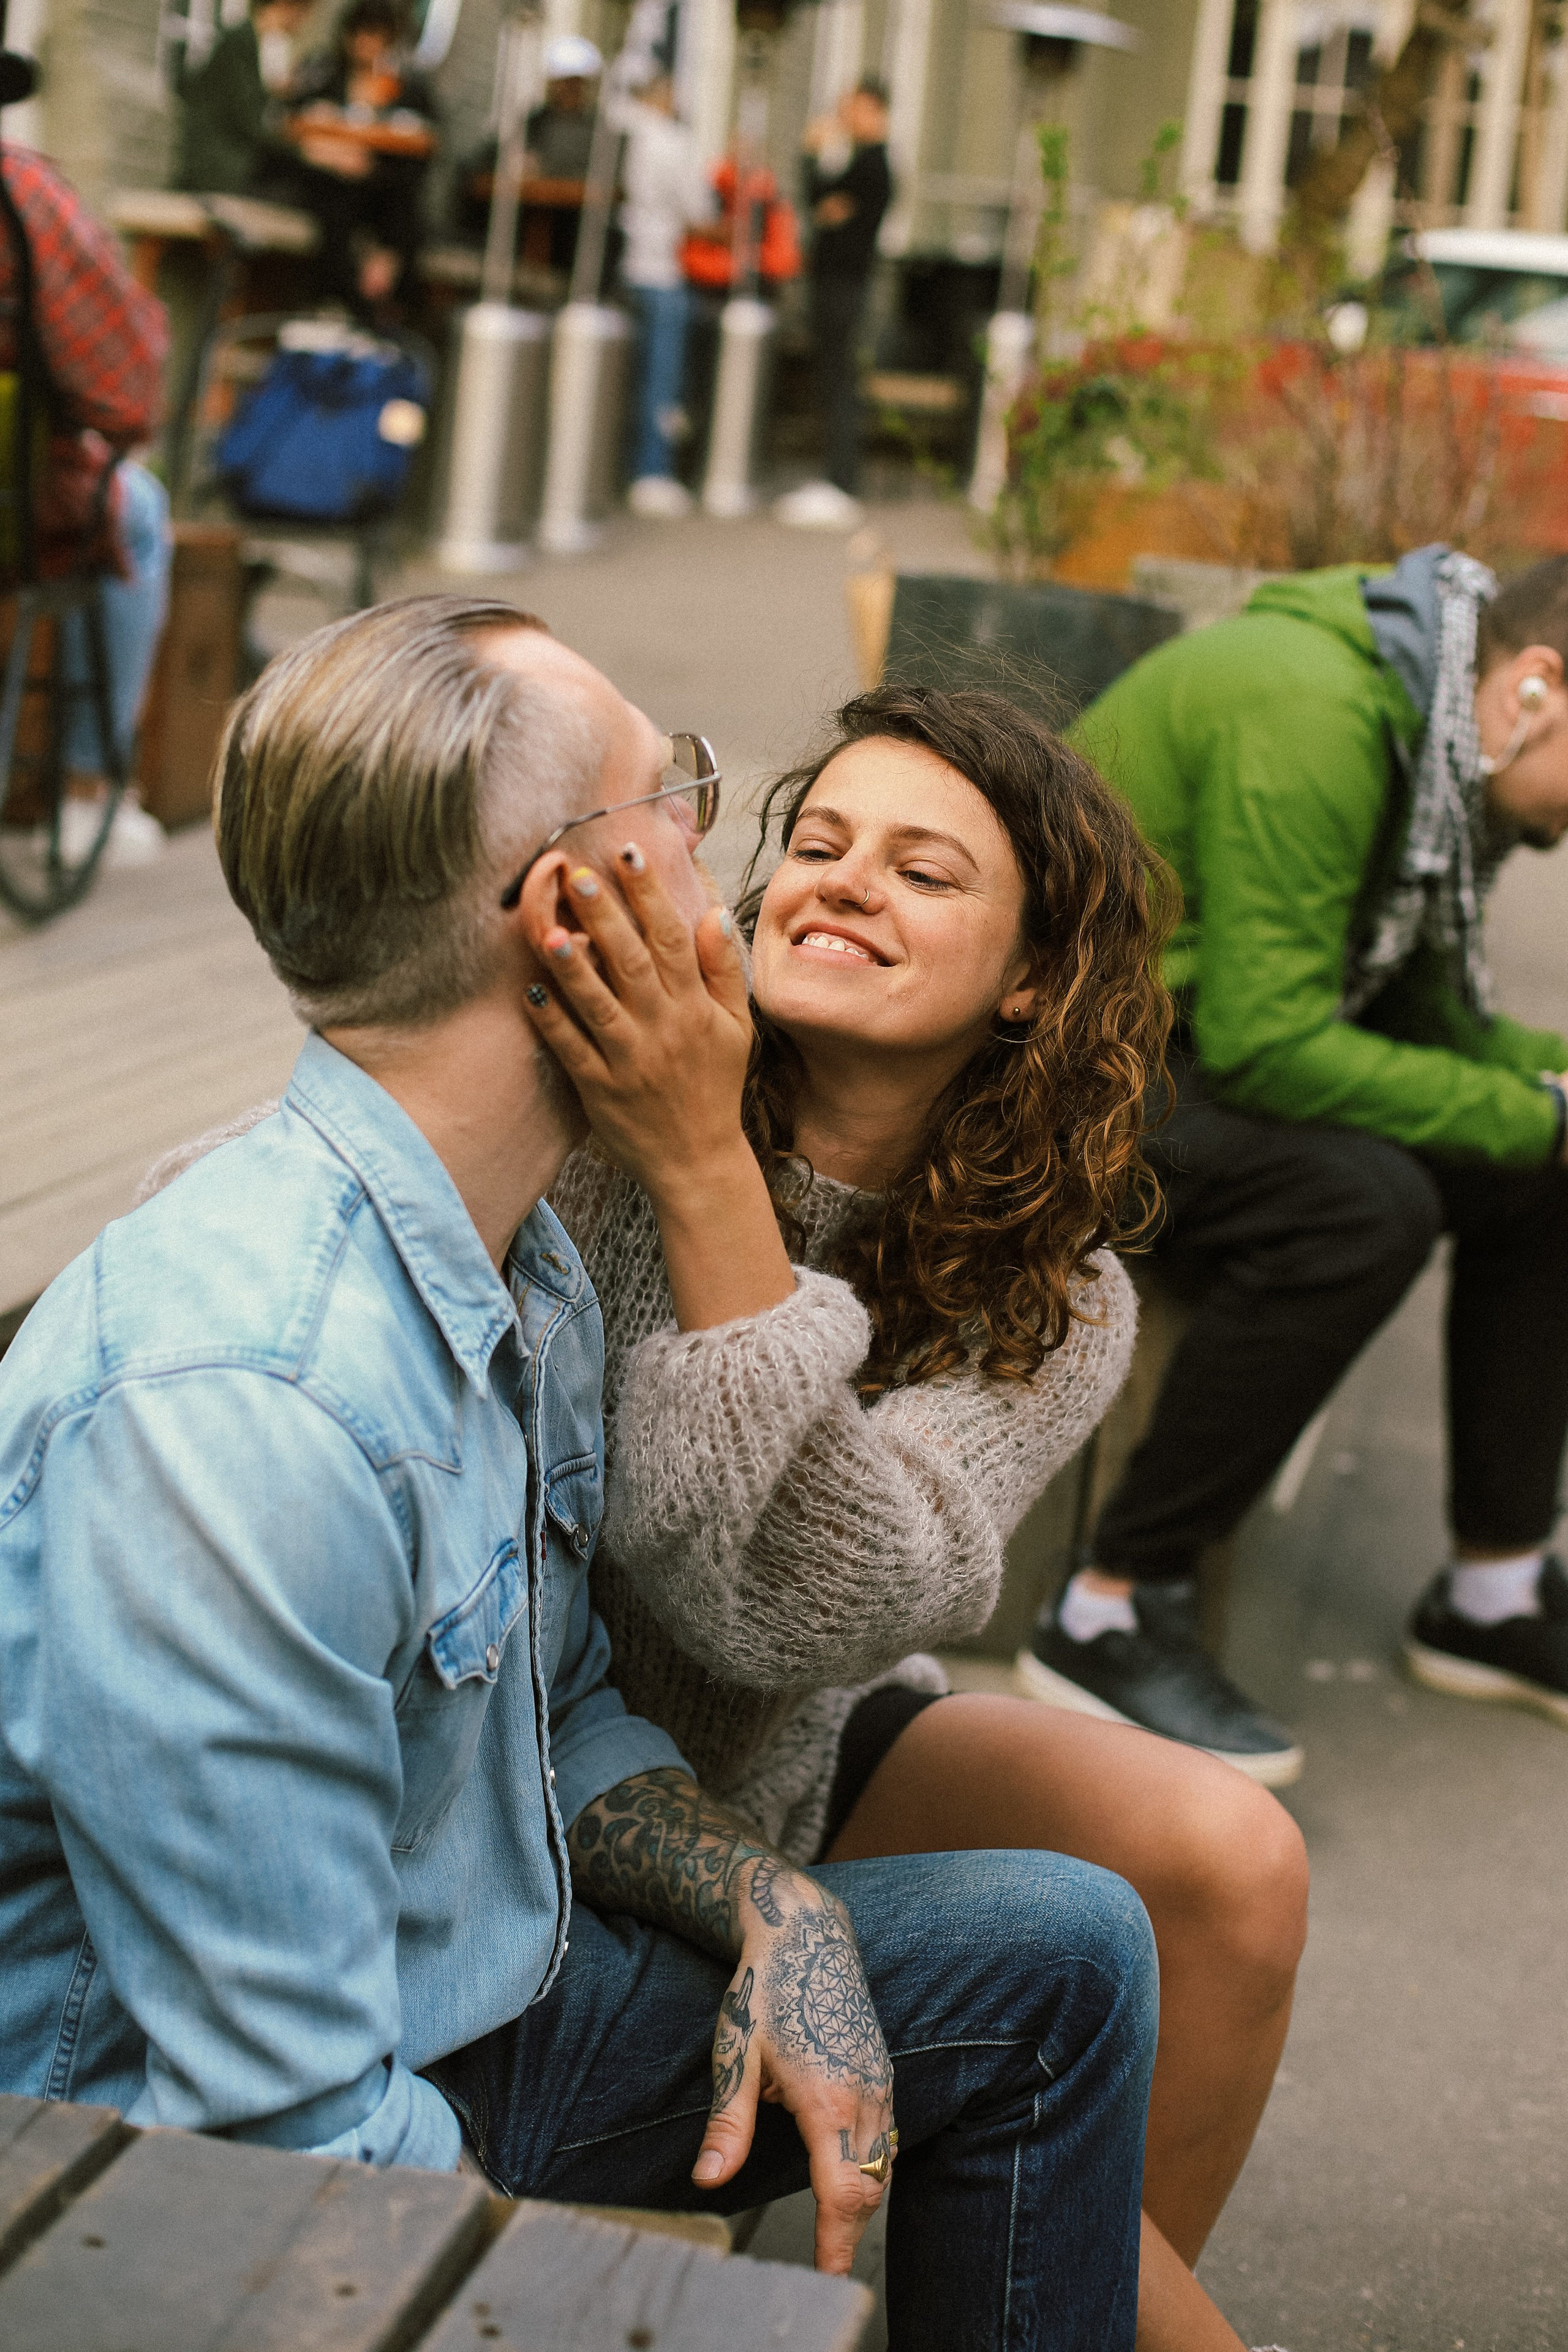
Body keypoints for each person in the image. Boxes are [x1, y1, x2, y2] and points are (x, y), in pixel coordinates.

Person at [0, 597, 1159, 2351]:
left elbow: (559, 1695)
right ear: (573, 906)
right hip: (185, 2141)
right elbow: (291, 2140)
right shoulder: (255, 1405)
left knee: (1073, 1944)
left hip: (485, 1939)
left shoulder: (517, 1258)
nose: (748, 856)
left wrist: (770, 1898)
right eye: (679, 793)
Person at [523, 683, 1308, 2352]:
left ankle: (1037, 2280)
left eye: (922, 870)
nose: (843, 880)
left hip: (777, 1741)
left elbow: (806, 1614)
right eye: (817, 842)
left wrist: (708, 1177)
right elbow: (673, 1566)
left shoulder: (1056, 1293)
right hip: (553, 1777)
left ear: (1031, 980)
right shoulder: (599, 1129)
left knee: (1235, 1855)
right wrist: (695, 1152)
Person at [1014, 546, 1568, 1779]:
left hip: (1191, 1042)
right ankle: (1109, 1607)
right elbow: (1273, 1048)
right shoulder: (1313, 710)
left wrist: (1552, 1097)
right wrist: (1541, 1109)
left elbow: (1428, 1021)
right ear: (1533, 684)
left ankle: (1491, 1593)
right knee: (1362, 1205)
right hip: (1062, 1073)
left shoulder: (1422, 728)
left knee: (1539, 1169)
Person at [0, 138, 171, 864]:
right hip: (14, 504)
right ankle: (84, 791)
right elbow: (124, 388)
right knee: (139, 507)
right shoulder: (19, 190)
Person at [775, 75, 891, 533]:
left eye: (852, 107)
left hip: (844, 286)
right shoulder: (863, 163)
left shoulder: (873, 167)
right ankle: (834, 478)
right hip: (837, 284)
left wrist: (810, 156)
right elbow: (823, 206)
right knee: (832, 379)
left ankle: (841, 482)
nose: (844, 115)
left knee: (840, 381)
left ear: (873, 109)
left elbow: (821, 203)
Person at [283, 0, 436, 315]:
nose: (367, 45)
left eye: (376, 37)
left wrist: (369, 163)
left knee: (404, 206)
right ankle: (354, 305)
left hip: (378, 184)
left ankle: (385, 285)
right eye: (361, 35)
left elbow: (425, 143)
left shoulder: (402, 87)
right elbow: (294, 125)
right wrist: (335, 154)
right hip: (331, 181)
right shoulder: (326, 76)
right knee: (336, 207)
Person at [614, 69, 712, 520]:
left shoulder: (619, 134)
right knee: (661, 379)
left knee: (620, 375)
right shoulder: (670, 141)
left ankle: (615, 465)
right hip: (661, 268)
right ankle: (652, 472)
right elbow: (698, 209)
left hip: (622, 267)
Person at [175, 0, 312, 200]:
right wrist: (304, 150)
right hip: (219, 169)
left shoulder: (249, 42)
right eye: (305, 12)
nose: (305, 22)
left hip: (223, 163)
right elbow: (248, 121)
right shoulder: (240, 43)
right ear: (286, 6)